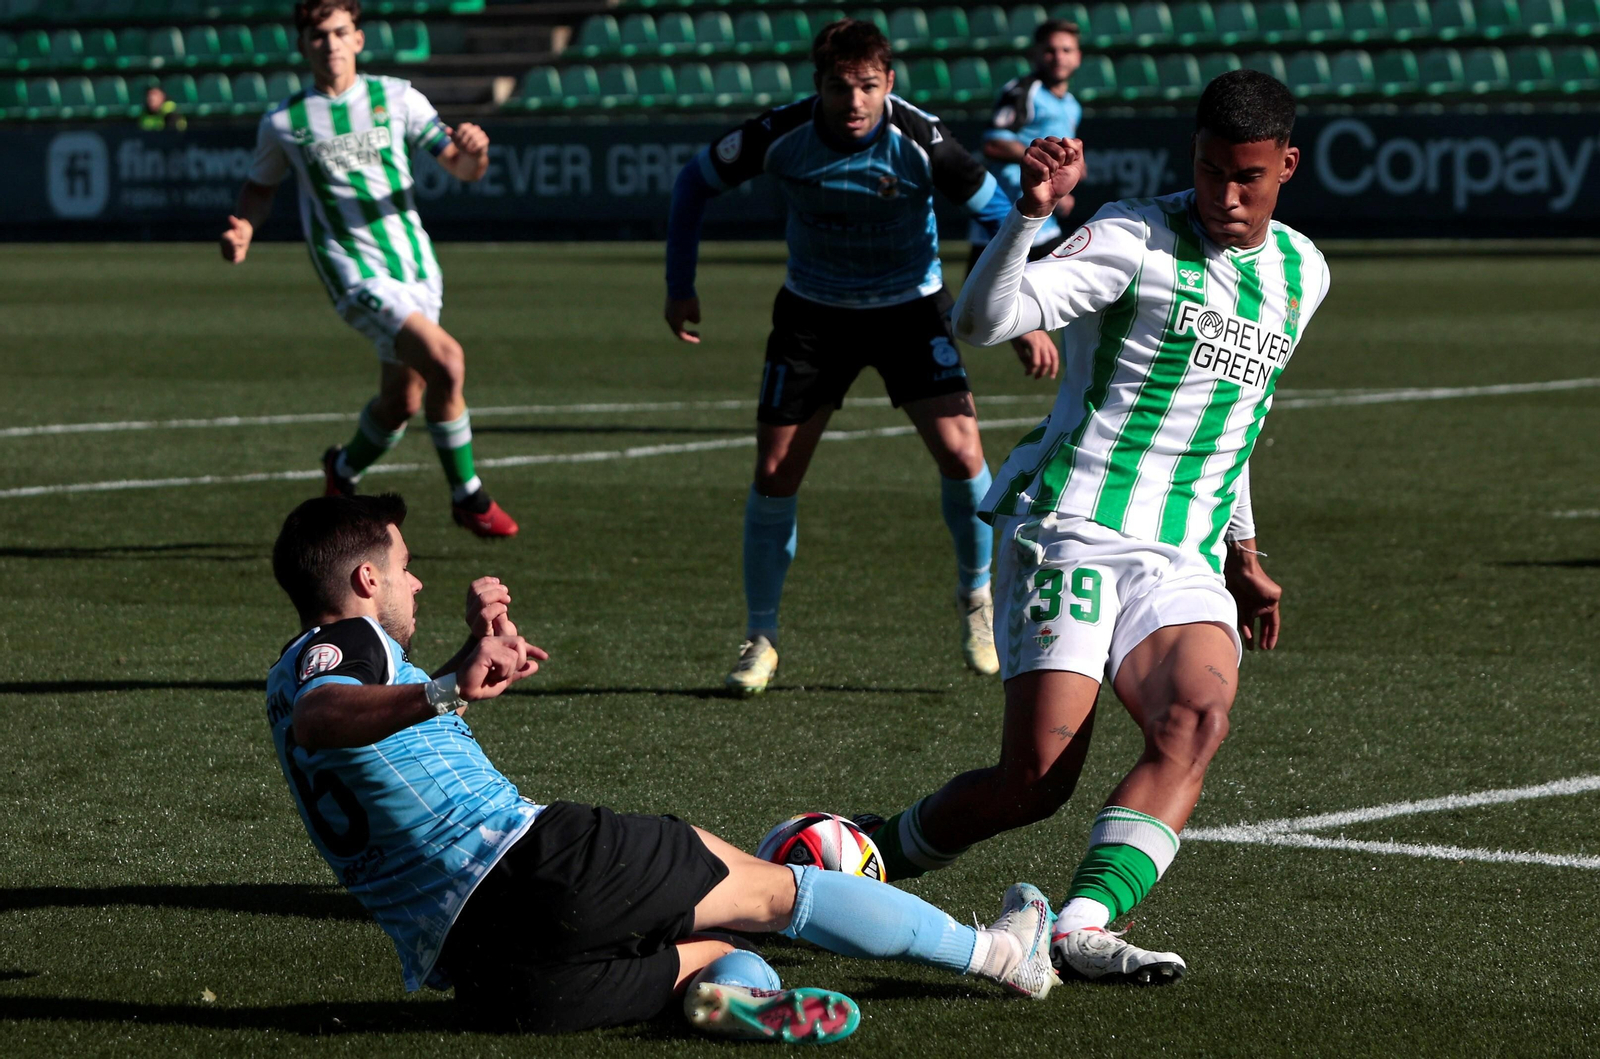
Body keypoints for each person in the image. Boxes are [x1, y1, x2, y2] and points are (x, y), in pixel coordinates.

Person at [265, 493, 1061, 1040]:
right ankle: (999, 954)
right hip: (533, 865)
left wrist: (466, 661)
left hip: (484, 968)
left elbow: (369, 733)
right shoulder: (347, 647)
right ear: (366, 580)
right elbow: (325, 714)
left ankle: (741, 997)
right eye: (404, 566)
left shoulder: (298, 672)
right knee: (768, 889)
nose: (416, 579)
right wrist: (445, 683)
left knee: (710, 951)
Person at [860, 70, 1331, 985]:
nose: (1223, 197)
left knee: (1197, 718)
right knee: (1033, 783)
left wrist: (1243, 551)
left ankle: (1077, 925)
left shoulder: (1301, 272)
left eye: (1246, 178)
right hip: (1070, 523)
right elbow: (983, 319)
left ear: (1287, 166)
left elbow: (1232, 422)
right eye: (1206, 171)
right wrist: (1029, 216)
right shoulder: (1131, 237)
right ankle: (872, 857)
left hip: (1183, 551)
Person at [665, 18, 1017, 695]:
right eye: (839, 87)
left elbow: (999, 211)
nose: (854, 102)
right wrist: (680, 286)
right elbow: (692, 184)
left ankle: (976, 598)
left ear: (889, 84)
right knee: (774, 471)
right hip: (814, 315)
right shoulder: (780, 135)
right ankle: (760, 638)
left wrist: (1012, 308)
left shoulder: (921, 139)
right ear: (817, 86)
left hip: (910, 310)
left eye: (868, 87)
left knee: (962, 451)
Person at [220, 0, 517, 538]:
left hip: (417, 268)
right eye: (318, 35)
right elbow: (259, 190)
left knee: (401, 402)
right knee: (448, 361)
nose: (329, 44)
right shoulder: (286, 121)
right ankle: (468, 496)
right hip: (354, 273)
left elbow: (460, 165)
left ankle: (342, 469)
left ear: (358, 39)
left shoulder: (397, 97)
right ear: (304, 45)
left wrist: (477, 152)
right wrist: (245, 224)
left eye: (340, 32)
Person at [967, 19, 1084, 383]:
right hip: (1009, 212)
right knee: (981, 308)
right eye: (1050, 49)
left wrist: (1061, 190)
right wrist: (1038, 160)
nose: (1057, 57)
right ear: (1035, 54)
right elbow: (993, 142)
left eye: (1066, 49)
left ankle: (1040, 348)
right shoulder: (1023, 91)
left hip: (1041, 214)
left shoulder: (1072, 104)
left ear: (1078, 57)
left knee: (988, 303)